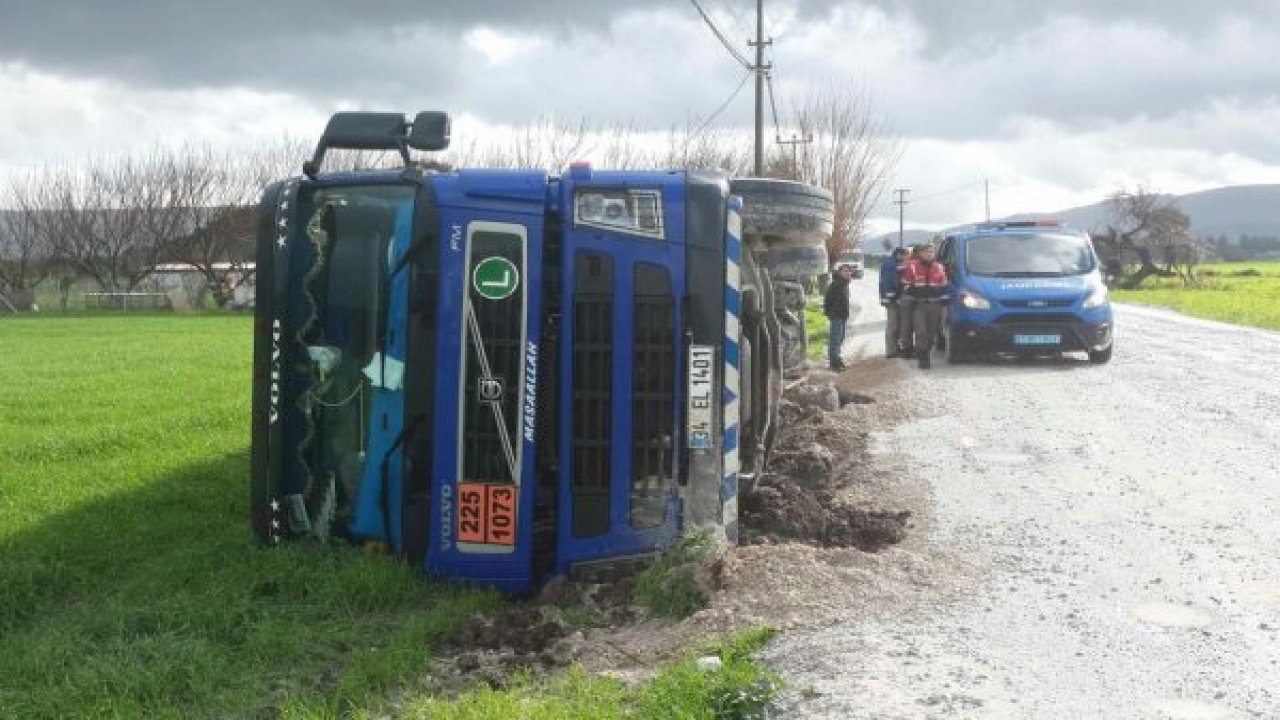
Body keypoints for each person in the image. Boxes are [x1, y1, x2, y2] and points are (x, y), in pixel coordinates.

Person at [899, 242, 949, 369]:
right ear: (921, 253)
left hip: (935, 305)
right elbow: (904, 283)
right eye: (926, 252)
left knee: (931, 334)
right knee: (920, 332)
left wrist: (944, 300)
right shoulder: (913, 266)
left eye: (931, 252)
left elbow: (944, 286)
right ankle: (923, 357)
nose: (929, 254)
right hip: (919, 305)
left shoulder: (939, 267)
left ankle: (926, 351)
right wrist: (912, 291)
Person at [823, 263, 855, 370]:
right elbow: (827, 300)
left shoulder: (845, 284)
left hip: (842, 316)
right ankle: (834, 363)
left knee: (840, 339)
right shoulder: (836, 284)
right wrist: (829, 313)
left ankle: (838, 360)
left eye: (849, 271)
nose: (847, 273)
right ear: (840, 272)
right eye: (845, 271)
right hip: (836, 315)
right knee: (835, 340)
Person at [879, 247, 910, 357]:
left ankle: (895, 348)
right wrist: (893, 296)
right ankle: (891, 351)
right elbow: (890, 282)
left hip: (893, 298)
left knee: (896, 324)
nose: (907, 259)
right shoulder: (890, 265)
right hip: (891, 299)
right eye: (906, 256)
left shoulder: (893, 263)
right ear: (899, 255)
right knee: (893, 325)